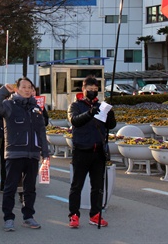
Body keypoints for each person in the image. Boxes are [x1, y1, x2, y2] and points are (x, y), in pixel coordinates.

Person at [0, 77, 49, 232]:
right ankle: (8, 218)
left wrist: (45, 152)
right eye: (24, 87)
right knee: (10, 187)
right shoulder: (9, 105)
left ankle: (28, 216)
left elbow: (41, 131)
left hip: (33, 154)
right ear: (17, 89)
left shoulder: (36, 108)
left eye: (30, 87)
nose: (27, 89)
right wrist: (2, 91)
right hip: (15, 153)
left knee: (30, 188)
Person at [67, 76, 116, 228]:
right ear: (83, 89)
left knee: (98, 186)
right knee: (77, 185)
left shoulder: (101, 106)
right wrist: (90, 113)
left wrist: (110, 114)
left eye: (95, 90)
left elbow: (111, 125)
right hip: (81, 150)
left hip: (98, 151)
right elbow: (74, 120)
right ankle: (74, 215)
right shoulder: (75, 105)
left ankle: (96, 214)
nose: (93, 92)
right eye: (90, 90)